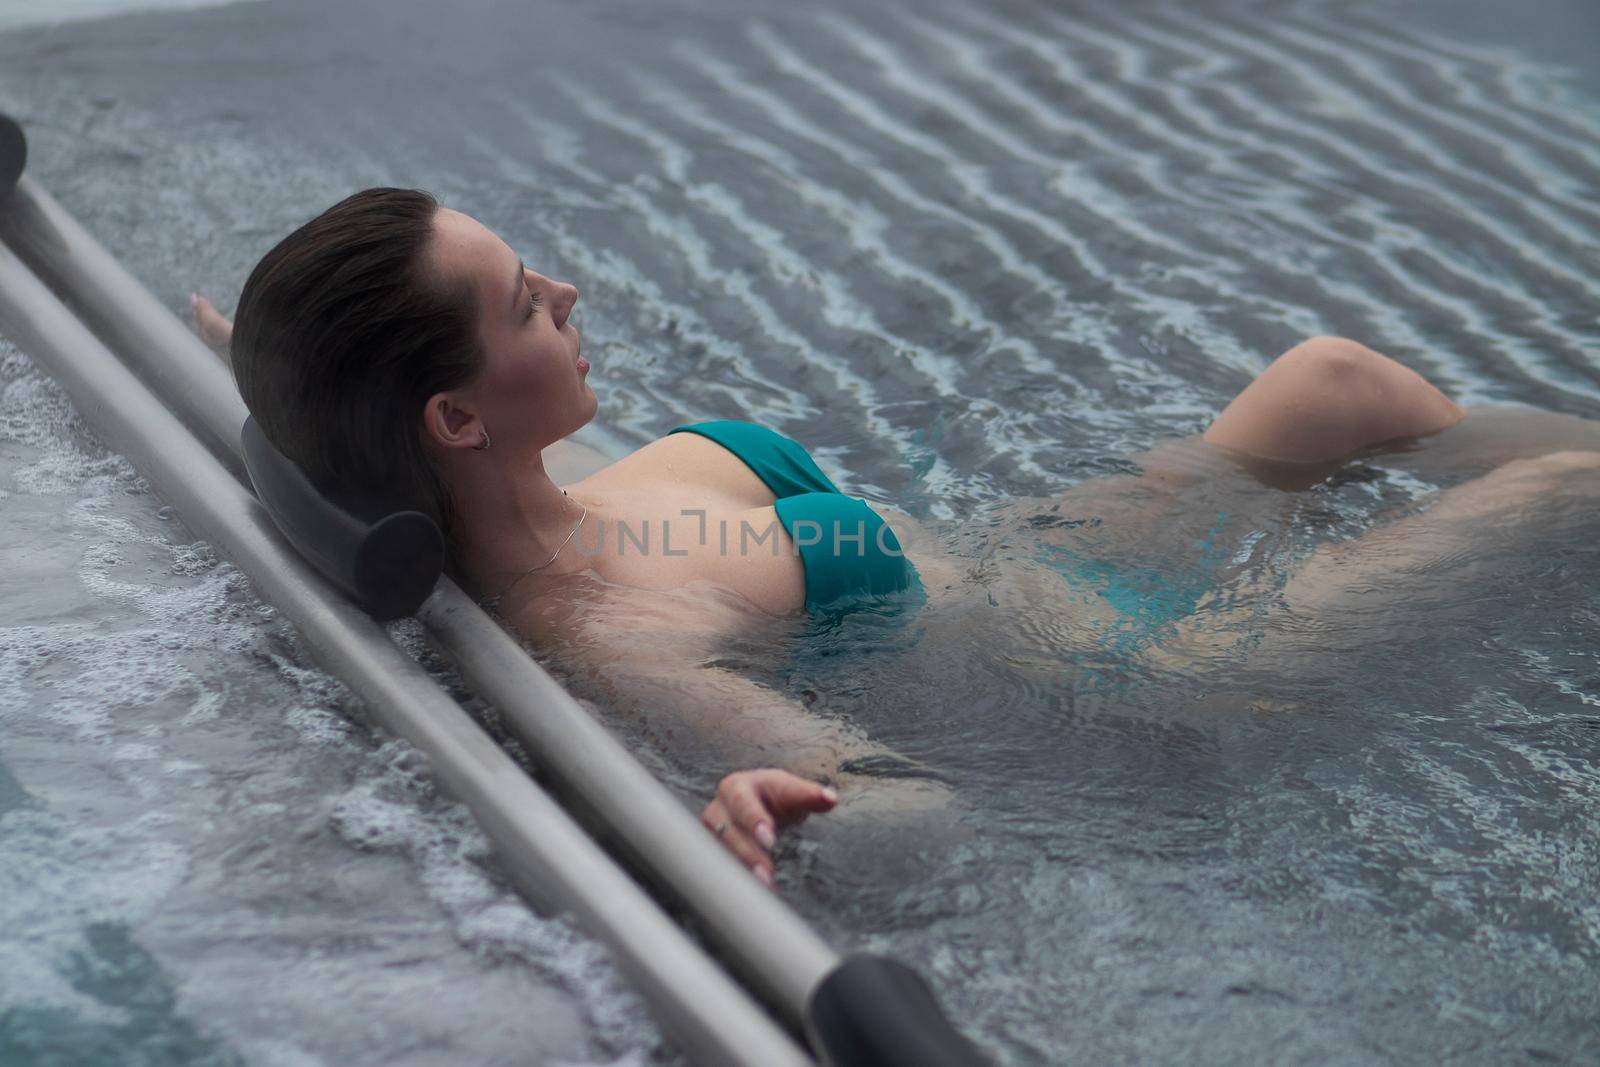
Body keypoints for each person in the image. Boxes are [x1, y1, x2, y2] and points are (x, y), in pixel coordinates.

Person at [195, 187, 1600, 888]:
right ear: (450, 421)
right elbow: (916, 804)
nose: (565, 288)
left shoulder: (551, 475)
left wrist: (265, 367)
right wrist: (779, 803)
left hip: (1032, 562)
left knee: (1332, 386)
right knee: (1556, 499)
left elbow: (326, 408)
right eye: (520, 303)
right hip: (1148, 678)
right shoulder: (619, 633)